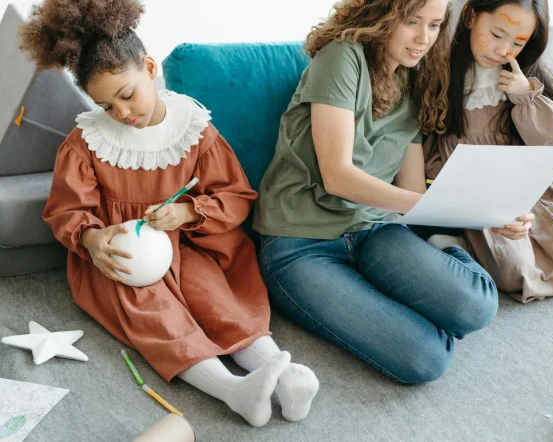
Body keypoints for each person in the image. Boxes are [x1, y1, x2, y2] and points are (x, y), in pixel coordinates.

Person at [20, 0, 318, 426]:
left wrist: (187, 213)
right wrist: (91, 237)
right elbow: (66, 209)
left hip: (192, 244)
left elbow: (235, 195)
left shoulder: (193, 126)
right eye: (108, 106)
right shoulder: (86, 141)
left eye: (127, 95)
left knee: (214, 297)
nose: (123, 113)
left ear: (150, 67)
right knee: (155, 313)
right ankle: (234, 392)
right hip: (124, 258)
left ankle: (285, 376)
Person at [253, 0, 498, 384]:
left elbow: (413, 190)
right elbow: (337, 176)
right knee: (425, 360)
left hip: (376, 231)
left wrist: (489, 213)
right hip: (300, 245)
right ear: (381, 14)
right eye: (412, 21)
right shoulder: (342, 57)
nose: (424, 38)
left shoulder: (421, 76)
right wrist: (442, 209)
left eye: (434, 25)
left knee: (477, 307)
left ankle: (444, 255)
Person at [423, 0, 553, 303]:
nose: (502, 49)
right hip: (479, 191)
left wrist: (525, 97)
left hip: (528, 184)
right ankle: (462, 243)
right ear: (472, 16)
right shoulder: (441, 72)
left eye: (517, 42)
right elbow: (429, 151)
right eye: (497, 35)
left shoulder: (524, 76)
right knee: (513, 271)